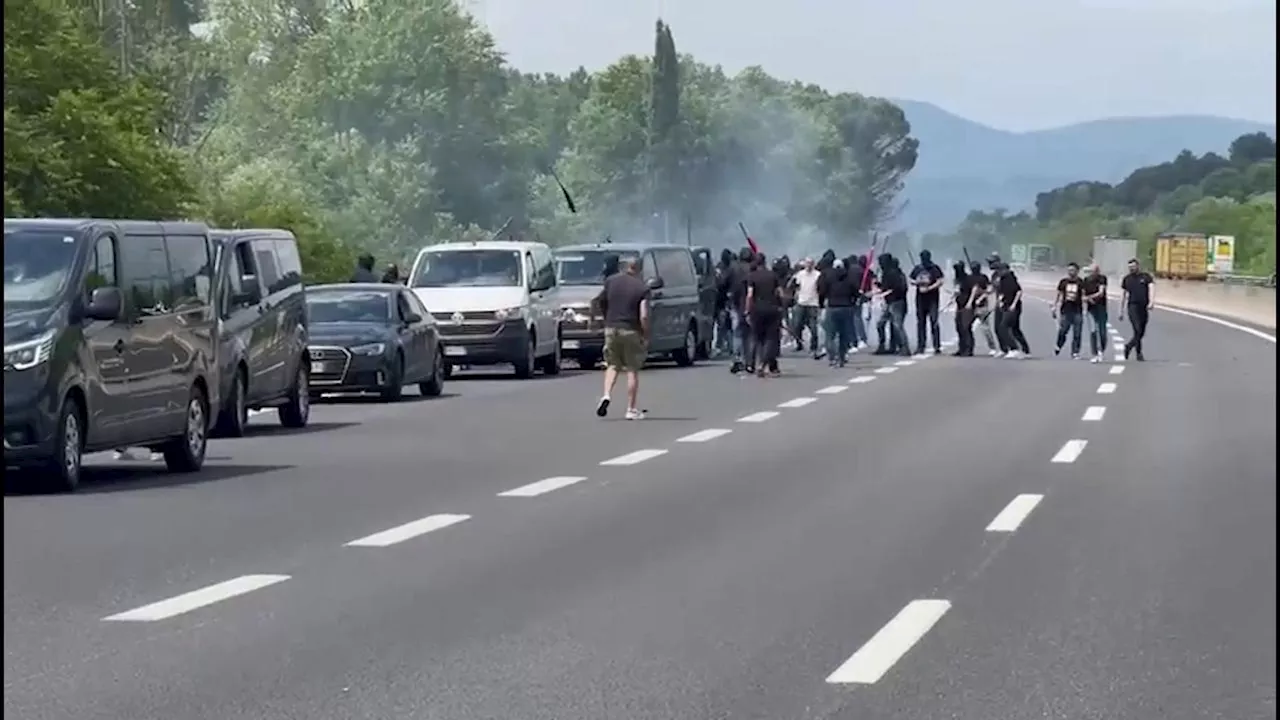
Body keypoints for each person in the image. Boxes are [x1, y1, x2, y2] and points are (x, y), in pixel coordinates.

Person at [592, 257, 651, 420]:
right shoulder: (642, 288)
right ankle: (631, 409)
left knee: (612, 365)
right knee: (632, 369)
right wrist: (645, 335)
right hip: (631, 330)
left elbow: (599, 301)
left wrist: (606, 319)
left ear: (624, 267)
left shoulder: (611, 281)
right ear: (639, 269)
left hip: (611, 328)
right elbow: (644, 315)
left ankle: (606, 395)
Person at [746, 253, 783, 377]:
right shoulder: (773, 275)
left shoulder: (752, 276)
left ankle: (756, 363)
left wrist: (747, 310)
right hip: (772, 310)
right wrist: (781, 306)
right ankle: (763, 364)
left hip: (757, 311)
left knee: (758, 339)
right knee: (771, 339)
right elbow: (779, 293)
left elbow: (750, 295)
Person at [819, 259, 857, 367]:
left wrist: (821, 304)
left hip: (832, 307)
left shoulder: (829, 278)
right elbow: (855, 292)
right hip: (846, 308)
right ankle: (841, 357)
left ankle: (832, 357)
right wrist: (853, 302)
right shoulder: (850, 278)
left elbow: (822, 292)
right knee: (843, 335)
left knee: (830, 335)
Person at [909, 249, 945, 354]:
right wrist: (917, 283)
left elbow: (940, 281)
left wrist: (929, 288)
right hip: (920, 299)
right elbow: (911, 279)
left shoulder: (935, 268)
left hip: (932, 299)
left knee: (934, 322)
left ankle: (936, 346)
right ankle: (921, 346)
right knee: (921, 323)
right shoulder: (917, 268)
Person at [1119, 258, 1154, 361]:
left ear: (1138, 266)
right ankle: (1135, 350)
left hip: (1143, 307)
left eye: (1133, 266)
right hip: (1132, 306)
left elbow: (1152, 289)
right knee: (1137, 329)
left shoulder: (1146, 277)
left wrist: (1151, 302)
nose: (1131, 269)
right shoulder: (1127, 279)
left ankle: (1131, 348)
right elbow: (1123, 295)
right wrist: (1120, 311)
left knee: (1141, 332)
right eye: (1129, 267)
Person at [996, 262, 1031, 358]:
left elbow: (1019, 291)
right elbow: (1002, 292)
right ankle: (1026, 350)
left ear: (1006, 270)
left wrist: (1013, 304)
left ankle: (1014, 348)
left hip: (1013, 307)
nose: (999, 272)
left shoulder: (1010, 279)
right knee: (1015, 329)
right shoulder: (1003, 279)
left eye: (1000, 270)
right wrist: (1000, 301)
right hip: (1006, 305)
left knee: (1003, 327)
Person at [790, 257, 823, 357]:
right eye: (807, 263)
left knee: (813, 327)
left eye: (810, 263)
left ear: (813, 264)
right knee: (797, 325)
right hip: (801, 302)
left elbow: (821, 288)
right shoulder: (800, 274)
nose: (808, 265)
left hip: (813, 303)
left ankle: (814, 347)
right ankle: (799, 343)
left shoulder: (818, 275)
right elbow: (795, 285)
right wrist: (795, 296)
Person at [1052, 262, 1085, 358]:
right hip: (1065, 310)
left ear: (1077, 271)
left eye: (1073, 270)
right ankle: (1058, 345)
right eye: (1069, 270)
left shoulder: (1081, 282)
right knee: (1063, 331)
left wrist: (1086, 306)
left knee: (1077, 333)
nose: (1071, 272)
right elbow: (1058, 295)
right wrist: (1054, 306)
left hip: (1077, 310)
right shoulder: (1063, 282)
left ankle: (1075, 352)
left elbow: (1083, 294)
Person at [968, 260, 999, 356]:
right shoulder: (971, 278)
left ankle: (992, 347)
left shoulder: (982, 278)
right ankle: (969, 347)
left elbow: (989, 289)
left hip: (981, 306)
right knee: (969, 328)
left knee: (985, 328)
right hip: (973, 306)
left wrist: (982, 295)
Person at [1081, 262, 1109, 363]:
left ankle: (1101, 350)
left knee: (1102, 331)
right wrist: (1086, 300)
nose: (1093, 272)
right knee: (1093, 331)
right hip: (1090, 309)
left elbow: (1101, 293)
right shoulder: (1086, 280)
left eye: (1095, 270)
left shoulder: (1102, 279)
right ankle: (1094, 353)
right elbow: (1082, 295)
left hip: (1101, 307)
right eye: (1092, 271)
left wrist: (1089, 297)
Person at [951, 261, 975, 356]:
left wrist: (970, 302)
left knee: (966, 327)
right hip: (959, 305)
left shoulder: (968, 279)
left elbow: (974, 290)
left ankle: (969, 349)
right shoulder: (957, 280)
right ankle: (961, 348)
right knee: (959, 327)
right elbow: (956, 291)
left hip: (967, 306)